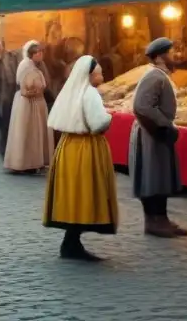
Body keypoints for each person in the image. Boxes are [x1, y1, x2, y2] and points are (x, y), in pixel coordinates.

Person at [43, 55, 118, 261]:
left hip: (69, 146)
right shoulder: (90, 94)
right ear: (90, 75)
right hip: (87, 147)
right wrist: (110, 115)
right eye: (99, 73)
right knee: (85, 193)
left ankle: (71, 241)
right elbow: (98, 124)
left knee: (74, 193)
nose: (101, 77)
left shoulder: (73, 92)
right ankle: (71, 243)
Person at [129, 37, 187, 238]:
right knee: (152, 176)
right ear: (161, 56)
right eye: (172, 52)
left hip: (156, 131)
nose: (176, 56)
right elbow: (141, 106)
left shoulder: (161, 75)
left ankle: (161, 219)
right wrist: (163, 124)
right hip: (151, 132)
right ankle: (153, 222)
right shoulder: (155, 76)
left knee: (161, 176)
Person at [4, 40, 53, 174]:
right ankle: (25, 162)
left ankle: (34, 161)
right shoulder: (26, 65)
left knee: (35, 132)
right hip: (28, 104)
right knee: (27, 132)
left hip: (36, 103)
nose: (41, 54)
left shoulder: (36, 65)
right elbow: (24, 87)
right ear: (34, 54)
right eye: (39, 52)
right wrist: (34, 92)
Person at [0, 38, 20, 156]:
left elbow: (10, 78)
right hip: (1, 96)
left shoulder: (8, 58)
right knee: (4, 124)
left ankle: (7, 152)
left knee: (8, 124)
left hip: (9, 96)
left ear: (3, 46)